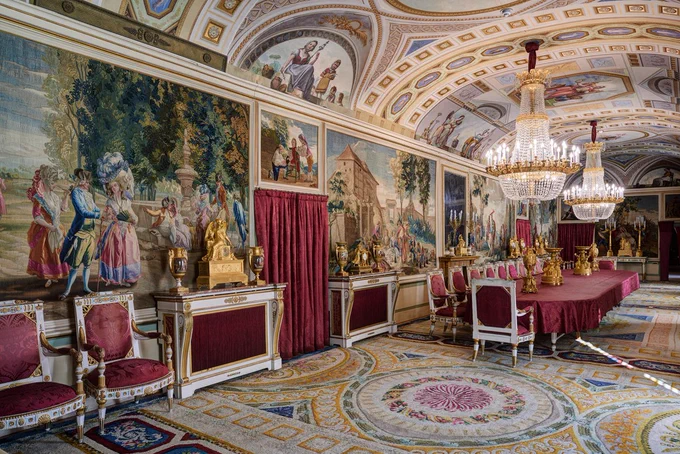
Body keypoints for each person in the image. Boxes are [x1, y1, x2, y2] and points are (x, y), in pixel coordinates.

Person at [59, 168, 101, 300]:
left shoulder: (88, 195)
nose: (87, 184)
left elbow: (95, 208)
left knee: (87, 264)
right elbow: (83, 211)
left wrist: (102, 212)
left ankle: (86, 287)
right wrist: (98, 215)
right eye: (85, 181)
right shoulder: (76, 193)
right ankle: (67, 291)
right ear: (80, 181)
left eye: (88, 181)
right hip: (80, 233)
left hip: (90, 233)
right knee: (75, 265)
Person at [26, 165, 70, 287]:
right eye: (52, 182)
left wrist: (66, 196)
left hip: (57, 228)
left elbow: (63, 209)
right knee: (47, 254)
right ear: (45, 182)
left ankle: (55, 275)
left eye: (55, 182)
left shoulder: (55, 197)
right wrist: (49, 227)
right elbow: (37, 217)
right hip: (45, 230)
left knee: (57, 253)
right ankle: (48, 276)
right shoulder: (39, 198)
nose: (54, 185)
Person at [97, 173, 140, 286]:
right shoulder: (110, 202)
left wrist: (134, 219)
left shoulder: (126, 201)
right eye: (111, 187)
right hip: (116, 229)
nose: (113, 188)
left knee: (128, 252)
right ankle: (113, 277)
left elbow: (132, 214)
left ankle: (125, 278)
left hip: (127, 229)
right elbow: (105, 216)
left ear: (120, 186)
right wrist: (110, 217)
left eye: (115, 185)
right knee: (116, 252)